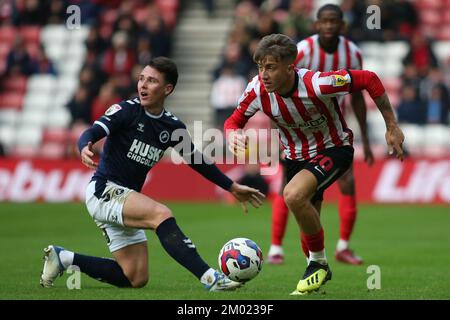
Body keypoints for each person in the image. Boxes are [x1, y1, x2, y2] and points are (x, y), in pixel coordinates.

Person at [40, 57, 265, 291]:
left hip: (125, 198)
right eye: (141, 79)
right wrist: (84, 146)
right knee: (161, 214)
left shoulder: (172, 126)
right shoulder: (126, 111)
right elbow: (92, 131)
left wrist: (231, 186)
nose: (143, 85)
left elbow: (196, 160)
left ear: (167, 89)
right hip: (104, 191)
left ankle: (64, 258)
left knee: (135, 277)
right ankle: (210, 278)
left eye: (151, 81)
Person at [224, 34, 404, 295]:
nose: (263, 74)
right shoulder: (256, 90)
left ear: (290, 67)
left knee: (292, 195)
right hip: (297, 157)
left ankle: (320, 264)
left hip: (334, 148)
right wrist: (232, 134)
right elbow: (233, 120)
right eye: (260, 67)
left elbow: (368, 79)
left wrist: (392, 125)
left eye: (271, 67)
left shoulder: (318, 83)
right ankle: (315, 270)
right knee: (307, 233)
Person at [267, 3, 374, 266]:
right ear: (316, 25)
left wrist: (366, 139)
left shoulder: (352, 52)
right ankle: (276, 248)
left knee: (347, 183)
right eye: (323, 22)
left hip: (332, 133)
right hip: (298, 132)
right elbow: (278, 86)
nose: (328, 26)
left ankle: (343, 247)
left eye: (333, 21)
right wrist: (278, 132)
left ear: (342, 25)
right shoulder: (303, 50)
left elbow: (359, 95)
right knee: (288, 189)